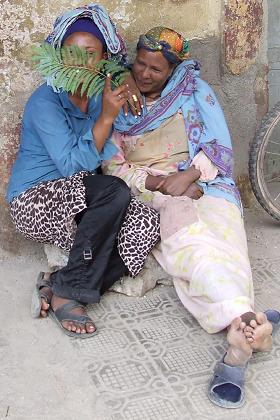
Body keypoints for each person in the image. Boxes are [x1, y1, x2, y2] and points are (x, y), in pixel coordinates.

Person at [103, 26, 278, 408]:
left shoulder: (194, 92)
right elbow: (110, 163)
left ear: (173, 70)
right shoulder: (119, 98)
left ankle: (241, 331)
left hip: (208, 185)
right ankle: (248, 327)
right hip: (158, 193)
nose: (145, 75)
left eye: (156, 69)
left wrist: (191, 175)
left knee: (229, 242)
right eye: (141, 64)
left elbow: (218, 147)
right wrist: (159, 182)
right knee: (193, 249)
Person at [6, 5, 160, 339]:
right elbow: (71, 166)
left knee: (146, 225)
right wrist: (105, 117)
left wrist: (123, 87)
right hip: (35, 202)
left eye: (90, 54)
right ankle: (70, 292)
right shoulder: (44, 102)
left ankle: (60, 286)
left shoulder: (96, 96)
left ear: (103, 58)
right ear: (59, 56)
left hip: (83, 198)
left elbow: (100, 158)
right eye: (70, 53)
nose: (80, 62)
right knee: (113, 191)